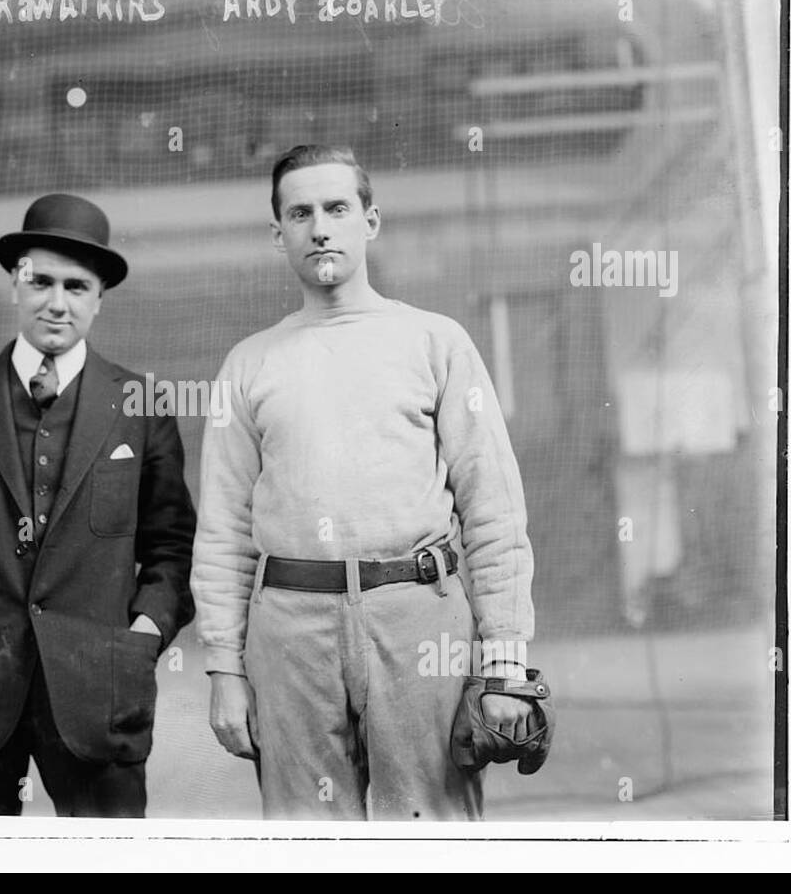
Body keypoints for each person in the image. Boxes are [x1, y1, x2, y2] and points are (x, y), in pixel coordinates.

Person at [192, 145, 540, 820]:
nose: (319, 227)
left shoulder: (436, 342)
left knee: (432, 830)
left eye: (336, 208)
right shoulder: (248, 364)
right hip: (289, 630)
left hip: (418, 617)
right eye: (300, 213)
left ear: (370, 221)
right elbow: (225, 533)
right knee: (306, 841)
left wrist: (505, 664)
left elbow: (493, 510)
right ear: (279, 234)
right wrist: (224, 669)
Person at [0, 192, 196, 817]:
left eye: (77, 286)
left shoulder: (140, 403)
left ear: (99, 298)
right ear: (14, 285)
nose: (58, 301)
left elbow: (172, 552)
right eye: (41, 281)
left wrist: (141, 637)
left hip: (97, 698)